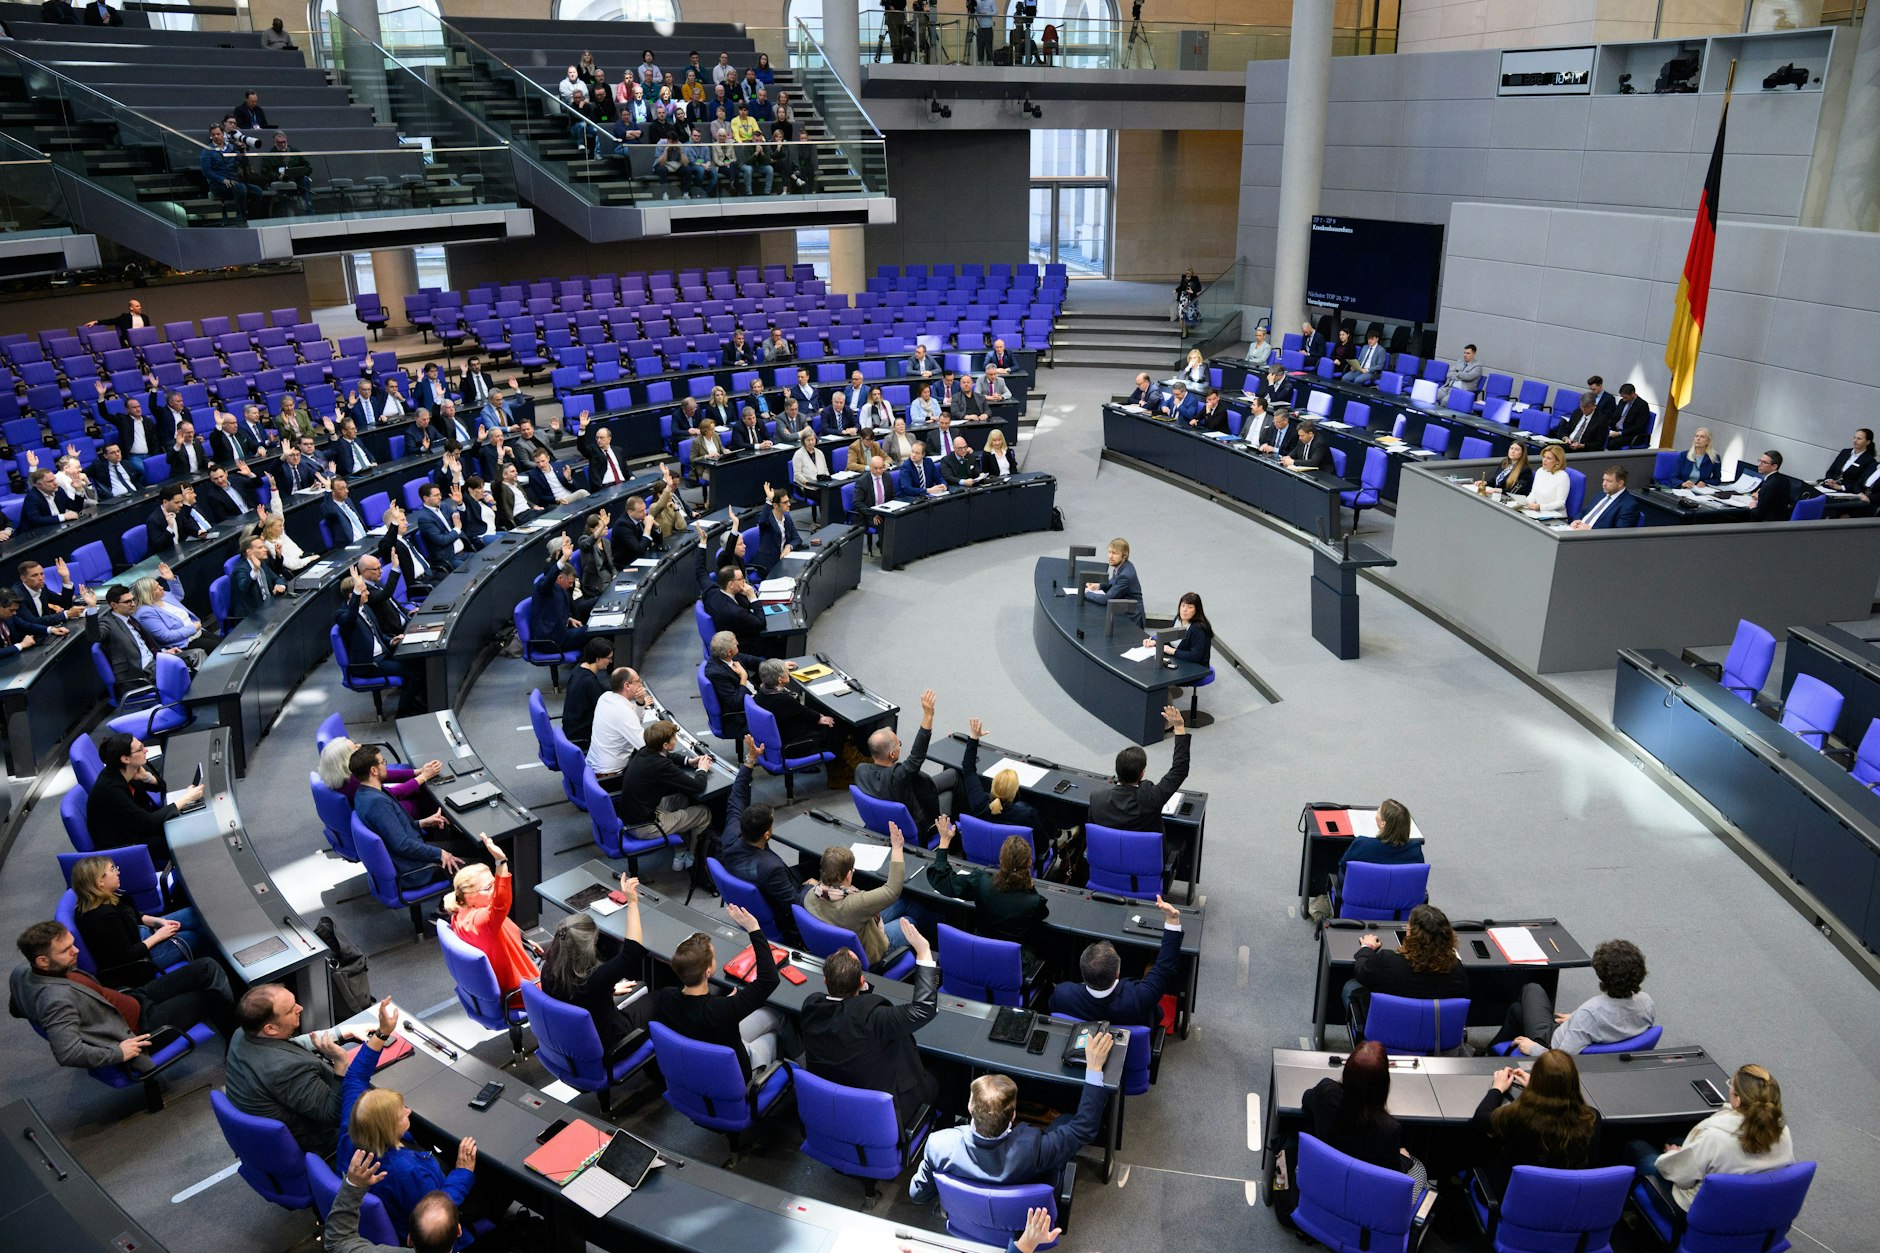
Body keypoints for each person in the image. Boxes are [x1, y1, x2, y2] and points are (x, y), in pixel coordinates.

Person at [909, 1030, 1114, 1203]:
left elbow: (918, 1195)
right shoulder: (1034, 1150)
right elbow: (1084, 1128)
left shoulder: (939, 1144)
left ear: (970, 1107)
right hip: (1021, 1228)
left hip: (965, 1223)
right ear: (1013, 1115)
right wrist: (1094, 1068)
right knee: (1064, 1121)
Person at [10, 921, 234, 1076]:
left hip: (133, 999)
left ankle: (237, 1024)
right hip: (141, 1028)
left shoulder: (21, 973)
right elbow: (67, 1052)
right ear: (42, 961)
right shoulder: (55, 1000)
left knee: (206, 967)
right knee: (209, 996)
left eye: (72, 943)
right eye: (66, 950)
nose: (76, 951)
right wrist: (117, 1052)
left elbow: (15, 1006)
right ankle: (238, 1044)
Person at [338, 999, 476, 1248]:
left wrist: (382, 1033)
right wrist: (463, 1172)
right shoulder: (407, 1173)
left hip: (394, 1207)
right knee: (497, 1184)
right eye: (402, 1114)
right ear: (389, 1129)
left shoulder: (351, 1128)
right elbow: (437, 1211)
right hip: (426, 1231)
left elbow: (354, 1078)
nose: (409, 1112)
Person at [801, 917, 941, 1123]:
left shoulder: (811, 1007)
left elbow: (848, 1009)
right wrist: (924, 951)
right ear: (861, 981)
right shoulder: (873, 1018)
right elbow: (923, 1009)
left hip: (838, 1105)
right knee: (943, 1077)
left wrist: (859, 990)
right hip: (889, 1111)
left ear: (825, 981)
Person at [1630, 1063, 1794, 1219]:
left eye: (1731, 1085)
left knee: (1637, 1147)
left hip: (1699, 1214)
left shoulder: (1714, 1137)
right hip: (1753, 1207)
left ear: (1737, 1100)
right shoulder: (1782, 1131)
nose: (1729, 1088)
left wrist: (1673, 1154)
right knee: (1678, 1139)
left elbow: (1679, 1176)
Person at [653, 903, 786, 1074]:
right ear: (708, 971)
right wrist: (754, 929)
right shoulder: (723, 1010)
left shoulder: (665, 997)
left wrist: (725, 1002)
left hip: (695, 1068)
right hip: (733, 1076)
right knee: (776, 1023)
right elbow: (769, 980)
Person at [1289, 1042, 1427, 1201]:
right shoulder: (1389, 1129)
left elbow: (1306, 1099)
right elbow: (1392, 1176)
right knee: (1419, 1169)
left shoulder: (1325, 1092)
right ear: (1384, 1084)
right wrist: (1404, 1158)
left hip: (1322, 1189)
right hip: (1362, 1205)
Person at [223, 984, 348, 1156]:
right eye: (291, 1010)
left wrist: (340, 1033)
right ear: (270, 1028)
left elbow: (284, 1046)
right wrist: (341, 1064)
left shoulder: (241, 1034)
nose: (300, 1008)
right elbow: (334, 1114)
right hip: (324, 1144)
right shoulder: (286, 1071)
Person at [540, 882, 653, 1054]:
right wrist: (632, 903)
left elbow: (579, 998)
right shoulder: (596, 979)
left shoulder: (547, 969)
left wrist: (608, 989)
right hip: (610, 1045)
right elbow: (632, 951)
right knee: (661, 999)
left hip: (572, 1039)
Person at [1471, 1049, 1600, 1196]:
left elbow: (1481, 1119)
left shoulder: (1518, 1117)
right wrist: (1538, 1087)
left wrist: (1497, 1088)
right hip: (1567, 1200)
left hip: (1518, 1201)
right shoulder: (1591, 1118)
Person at [1493, 937, 1653, 1056]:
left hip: (1549, 1043)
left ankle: (1489, 1056)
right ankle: (1490, 1055)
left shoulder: (1590, 1013)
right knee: (1517, 1011)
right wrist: (1575, 1019)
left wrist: (1534, 1048)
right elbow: (1618, 1019)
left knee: (1532, 989)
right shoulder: (1646, 1002)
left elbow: (1562, 1062)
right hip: (1591, 1035)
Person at [717, 735, 810, 933]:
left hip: (761, 885)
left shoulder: (732, 834)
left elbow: (737, 795)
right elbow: (794, 905)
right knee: (819, 879)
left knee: (812, 864)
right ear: (767, 834)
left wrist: (750, 759)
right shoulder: (771, 867)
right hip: (782, 912)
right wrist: (811, 888)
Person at [69, 854, 207, 987]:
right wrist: (159, 936)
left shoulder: (106, 897)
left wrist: (159, 922)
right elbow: (127, 955)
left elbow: (136, 916)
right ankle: (207, 973)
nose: (117, 872)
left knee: (195, 914)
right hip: (138, 962)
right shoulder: (102, 917)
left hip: (140, 935)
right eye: (112, 869)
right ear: (100, 881)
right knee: (197, 937)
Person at [1048, 893, 1182, 1028]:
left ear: (1083, 973)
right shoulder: (1139, 998)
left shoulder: (1062, 995)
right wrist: (1172, 920)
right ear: (1118, 973)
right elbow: (1164, 968)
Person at [1346, 904, 1469, 1042]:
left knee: (1351, 987)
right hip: (1434, 1039)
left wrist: (1367, 947)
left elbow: (1361, 972)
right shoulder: (1456, 968)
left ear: (1411, 933)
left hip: (1387, 1034)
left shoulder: (1387, 961)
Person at [928, 815, 1048, 950]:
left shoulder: (981, 883)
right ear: (1029, 863)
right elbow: (1041, 916)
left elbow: (942, 879)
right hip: (1010, 962)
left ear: (1001, 861)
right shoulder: (1034, 902)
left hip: (978, 951)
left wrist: (944, 841)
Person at [350, 744, 464, 885]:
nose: (385, 766)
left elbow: (392, 830)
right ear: (374, 770)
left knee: (467, 846)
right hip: (416, 870)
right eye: (383, 762)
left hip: (414, 852)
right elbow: (402, 845)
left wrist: (423, 822)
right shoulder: (377, 803)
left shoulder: (364, 793)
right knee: (481, 864)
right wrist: (439, 853)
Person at [807, 823, 913, 973]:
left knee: (902, 903)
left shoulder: (811, 894)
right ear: (849, 875)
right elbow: (892, 890)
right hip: (871, 953)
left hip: (846, 932)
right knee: (911, 921)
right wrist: (897, 847)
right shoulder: (854, 904)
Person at [856, 687, 957, 843]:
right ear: (892, 754)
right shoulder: (897, 776)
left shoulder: (861, 771)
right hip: (918, 826)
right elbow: (916, 757)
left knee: (951, 776)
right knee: (950, 793)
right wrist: (928, 715)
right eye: (898, 744)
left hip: (907, 799)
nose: (899, 746)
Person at [445, 834, 537, 1003]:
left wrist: (524, 943)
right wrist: (501, 861)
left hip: (517, 958)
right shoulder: (480, 922)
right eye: (489, 887)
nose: (494, 890)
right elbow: (500, 904)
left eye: (495, 883)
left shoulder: (460, 913)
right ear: (468, 896)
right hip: (524, 987)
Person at [87, 733, 202, 864]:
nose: (146, 750)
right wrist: (186, 798)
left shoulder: (125, 771)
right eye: (140, 749)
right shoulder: (111, 790)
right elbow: (148, 822)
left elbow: (161, 786)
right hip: (128, 846)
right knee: (186, 836)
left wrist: (146, 777)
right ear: (125, 759)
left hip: (137, 829)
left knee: (184, 824)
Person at [617, 720, 713, 873]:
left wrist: (688, 761)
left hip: (633, 816)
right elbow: (698, 786)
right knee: (703, 812)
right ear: (665, 745)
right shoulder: (660, 766)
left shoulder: (644, 751)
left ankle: (679, 851)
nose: (676, 740)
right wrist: (702, 769)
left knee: (682, 799)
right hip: (645, 827)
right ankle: (692, 857)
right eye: (674, 738)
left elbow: (668, 757)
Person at [954, 717, 1051, 858]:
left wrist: (974, 738)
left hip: (980, 857)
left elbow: (968, 769)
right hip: (1013, 864)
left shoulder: (978, 801)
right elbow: (1042, 845)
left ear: (993, 786)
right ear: (1015, 792)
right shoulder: (1026, 815)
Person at [1087, 705, 1189, 837]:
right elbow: (1179, 770)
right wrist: (1179, 727)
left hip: (1108, 856)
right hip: (1147, 856)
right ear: (1142, 773)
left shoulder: (1097, 798)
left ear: (1117, 771)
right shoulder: (1152, 799)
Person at [337, 570, 426, 716]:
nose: (368, 594)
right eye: (364, 591)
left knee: (418, 662)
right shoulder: (342, 615)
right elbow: (350, 617)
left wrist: (391, 640)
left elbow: (377, 634)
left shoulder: (365, 608)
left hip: (384, 654)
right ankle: (403, 712)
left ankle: (413, 703)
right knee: (414, 674)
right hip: (370, 663)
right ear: (353, 596)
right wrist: (357, 591)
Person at [586, 666, 656, 776]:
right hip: (611, 774)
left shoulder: (605, 697)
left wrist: (640, 703)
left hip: (594, 765)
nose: (641, 685)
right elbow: (644, 747)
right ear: (627, 686)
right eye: (638, 681)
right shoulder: (623, 712)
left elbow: (633, 721)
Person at [131, 571, 215, 653]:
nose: (161, 588)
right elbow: (166, 636)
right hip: (185, 643)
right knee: (219, 649)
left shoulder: (164, 597)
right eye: (156, 588)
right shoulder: (145, 614)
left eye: (159, 585)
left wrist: (171, 580)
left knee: (225, 644)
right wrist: (193, 628)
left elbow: (178, 595)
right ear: (147, 594)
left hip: (197, 632)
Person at [1338, 797, 1421, 875]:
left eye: (1378, 812)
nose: (1376, 814)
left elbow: (1343, 868)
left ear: (1383, 824)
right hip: (1400, 890)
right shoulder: (1415, 849)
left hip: (1364, 889)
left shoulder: (1362, 844)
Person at [562, 637, 613, 749]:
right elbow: (607, 711)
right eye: (608, 658)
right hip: (582, 736)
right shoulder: (589, 682)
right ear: (598, 659)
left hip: (571, 728)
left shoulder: (578, 670)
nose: (610, 661)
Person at [528, 558, 588, 651]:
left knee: (593, 631)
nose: (571, 586)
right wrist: (563, 558)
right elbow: (548, 581)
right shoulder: (544, 587)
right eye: (570, 582)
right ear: (559, 578)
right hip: (549, 640)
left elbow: (551, 611)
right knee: (591, 632)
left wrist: (569, 619)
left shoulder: (561, 589)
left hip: (559, 633)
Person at [1082, 536, 1143, 623]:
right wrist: (1099, 586)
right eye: (1109, 552)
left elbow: (1105, 599)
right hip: (1122, 609)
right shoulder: (1123, 566)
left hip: (1131, 618)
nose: (1110, 556)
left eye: (1114, 553)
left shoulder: (1125, 575)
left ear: (1124, 555)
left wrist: (1086, 593)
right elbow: (1114, 581)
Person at [1149, 591, 1212, 672]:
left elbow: (1195, 657)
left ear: (1197, 610)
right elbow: (1169, 639)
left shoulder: (1198, 629)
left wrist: (1173, 651)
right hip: (1178, 660)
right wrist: (1155, 642)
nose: (1184, 610)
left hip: (1195, 667)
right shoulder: (1178, 619)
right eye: (1183, 606)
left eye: (1190, 607)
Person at [229, 532, 286, 621]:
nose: (265, 550)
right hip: (250, 616)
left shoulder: (261, 562)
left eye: (263, 546)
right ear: (249, 552)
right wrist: (255, 570)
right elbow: (244, 587)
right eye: (260, 548)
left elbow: (277, 578)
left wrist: (279, 585)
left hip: (268, 606)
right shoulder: (240, 570)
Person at [1569, 464, 1642, 529]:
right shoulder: (1601, 494)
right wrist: (1576, 520)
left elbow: (1618, 532)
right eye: (1604, 480)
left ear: (1620, 483)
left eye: (1609, 481)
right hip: (1577, 530)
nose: (1604, 484)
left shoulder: (1629, 505)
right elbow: (1585, 511)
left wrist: (1591, 530)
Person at [753, 484, 801, 574]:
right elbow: (762, 521)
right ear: (775, 505)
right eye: (785, 502)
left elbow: (797, 538)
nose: (789, 504)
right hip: (768, 564)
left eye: (788, 501)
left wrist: (789, 546)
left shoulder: (787, 518)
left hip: (784, 560)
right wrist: (769, 500)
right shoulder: (767, 520)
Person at [1748, 450, 1803, 522]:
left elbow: (1758, 515)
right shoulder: (1783, 479)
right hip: (1779, 521)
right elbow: (1775, 500)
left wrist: (1752, 507)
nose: (1759, 464)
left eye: (1764, 462)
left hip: (1765, 524)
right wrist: (1761, 496)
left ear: (1774, 466)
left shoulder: (1768, 485)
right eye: (1759, 461)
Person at [1519, 444, 1572, 514]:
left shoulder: (1562, 476)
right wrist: (1523, 504)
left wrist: (1541, 507)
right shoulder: (1540, 471)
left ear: (1557, 461)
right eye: (1544, 457)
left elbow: (1560, 503)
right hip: (1538, 512)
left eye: (1548, 458)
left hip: (1556, 515)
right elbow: (1534, 493)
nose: (1544, 460)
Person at [1606, 383, 1653, 449]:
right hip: (1617, 430)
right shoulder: (1622, 402)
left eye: (1625, 397)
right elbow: (1615, 418)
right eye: (1622, 397)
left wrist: (1620, 433)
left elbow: (1639, 428)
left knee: (1612, 443)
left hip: (1631, 435)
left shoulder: (1642, 405)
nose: (1624, 399)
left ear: (1632, 394)